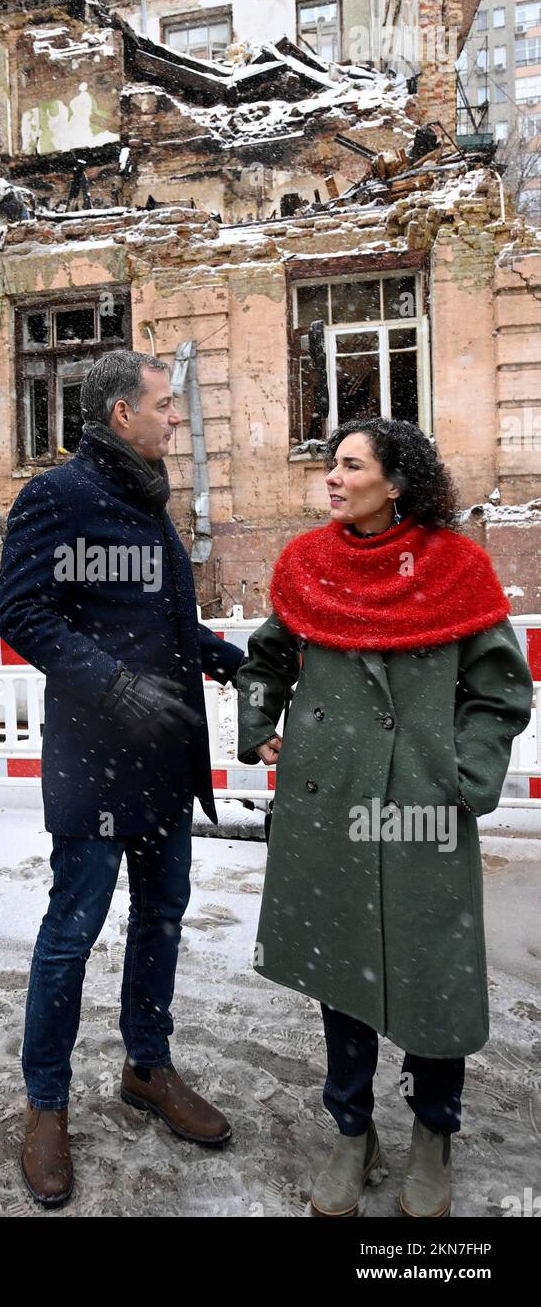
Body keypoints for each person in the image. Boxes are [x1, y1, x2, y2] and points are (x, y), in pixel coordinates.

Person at [236, 418, 534, 1219]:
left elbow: (501, 690)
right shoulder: (308, 564)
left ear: (396, 482)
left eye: (350, 465)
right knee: (343, 970)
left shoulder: (455, 568)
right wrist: (261, 724)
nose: (332, 477)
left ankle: (433, 1134)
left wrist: (461, 778)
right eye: (332, 464)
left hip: (420, 811)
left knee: (432, 973)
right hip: (330, 803)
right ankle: (352, 1129)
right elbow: (266, 658)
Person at [0, 350, 244, 1207]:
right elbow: (21, 613)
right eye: (165, 405)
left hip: (162, 759)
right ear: (119, 415)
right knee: (72, 932)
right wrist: (113, 683)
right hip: (95, 759)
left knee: (163, 917)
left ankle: (147, 1067)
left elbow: (161, 621)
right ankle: (46, 1106)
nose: (176, 418)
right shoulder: (57, 496)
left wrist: (223, 658)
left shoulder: (146, 494)